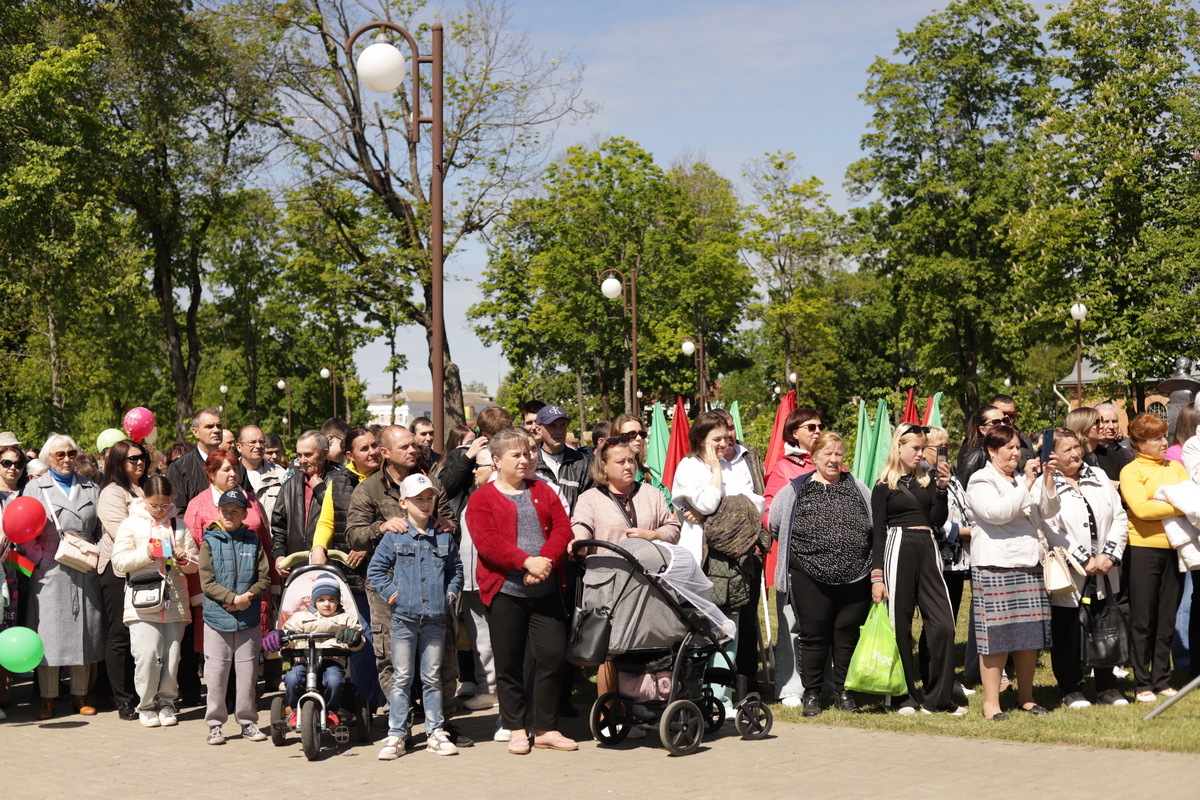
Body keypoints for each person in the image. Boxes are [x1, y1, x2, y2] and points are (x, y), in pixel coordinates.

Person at [345, 425, 466, 743]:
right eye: (405, 446)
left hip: (431, 588)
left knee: (442, 658)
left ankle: (441, 723)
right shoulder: (369, 489)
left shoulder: (431, 482)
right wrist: (381, 526)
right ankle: (401, 724)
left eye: (415, 445)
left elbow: (450, 521)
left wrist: (446, 524)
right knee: (390, 659)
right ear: (385, 452)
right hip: (390, 591)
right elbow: (354, 534)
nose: (414, 450)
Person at [465, 427, 576, 755]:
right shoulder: (482, 497)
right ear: (497, 461)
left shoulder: (543, 490)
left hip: (546, 590)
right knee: (509, 662)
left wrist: (544, 563)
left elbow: (562, 529)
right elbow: (487, 544)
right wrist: (527, 563)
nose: (526, 459)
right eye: (517, 454)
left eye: (529, 453)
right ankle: (515, 727)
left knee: (553, 657)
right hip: (505, 592)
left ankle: (545, 728)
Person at [569, 434, 681, 711]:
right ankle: (610, 712)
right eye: (620, 461)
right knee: (611, 650)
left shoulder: (652, 494)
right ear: (604, 467)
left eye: (631, 460)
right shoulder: (590, 498)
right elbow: (580, 526)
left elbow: (674, 529)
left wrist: (651, 534)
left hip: (648, 588)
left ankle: (643, 703)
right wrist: (577, 541)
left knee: (647, 647)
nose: (628, 466)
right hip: (608, 586)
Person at [767, 431, 872, 716]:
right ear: (814, 458)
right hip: (809, 577)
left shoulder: (858, 488)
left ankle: (844, 691)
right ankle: (812, 693)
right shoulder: (794, 490)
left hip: (855, 577)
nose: (834, 460)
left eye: (838, 454)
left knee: (846, 635)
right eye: (827, 454)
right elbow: (775, 524)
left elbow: (874, 524)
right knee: (813, 636)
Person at [671, 411, 767, 713]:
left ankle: (721, 698)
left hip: (733, 558)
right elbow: (708, 503)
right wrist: (714, 472)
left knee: (730, 626)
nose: (725, 443)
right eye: (717, 439)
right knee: (702, 629)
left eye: (726, 438)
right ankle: (695, 694)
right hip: (702, 559)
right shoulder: (688, 467)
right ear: (701, 440)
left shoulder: (734, 465)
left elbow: (755, 503)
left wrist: (712, 510)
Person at [966, 424, 1059, 720]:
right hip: (994, 566)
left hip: (1028, 564)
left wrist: (1046, 478)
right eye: (1009, 448)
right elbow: (996, 513)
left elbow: (1048, 512)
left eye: (1018, 447)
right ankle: (991, 703)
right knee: (996, 638)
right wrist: (1027, 484)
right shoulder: (981, 479)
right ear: (991, 451)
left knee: (1028, 636)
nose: (1016, 453)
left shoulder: (1023, 478)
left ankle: (1027, 697)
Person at [369, 474, 464, 759]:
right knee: (402, 678)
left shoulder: (444, 534)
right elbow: (375, 570)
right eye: (418, 499)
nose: (425, 504)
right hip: (403, 620)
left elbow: (455, 570)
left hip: (435, 619)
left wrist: (448, 595)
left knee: (432, 678)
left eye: (429, 498)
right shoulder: (394, 536)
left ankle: (436, 732)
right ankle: (397, 735)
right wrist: (393, 593)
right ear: (403, 503)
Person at [1036, 427, 1129, 708]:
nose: (1076, 453)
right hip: (1071, 570)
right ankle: (1071, 687)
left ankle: (1107, 685)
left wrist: (1109, 556)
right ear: (1053, 455)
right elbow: (1048, 525)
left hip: (1105, 567)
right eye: (1068, 450)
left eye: (1077, 447)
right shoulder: (1045, 484)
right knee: (1068, 626)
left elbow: (1119, 517)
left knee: (1104, 622)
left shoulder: (1098, 476)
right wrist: (1083, 558)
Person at [871, 423, 959, 715]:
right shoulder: (884, 485)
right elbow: (878, 533)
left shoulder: (929, 479)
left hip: (928, 546)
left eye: (924, 448)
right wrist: (877, 575)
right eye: (916, 448)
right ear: (899, 447)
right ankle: (904, 697)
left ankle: (938, 699)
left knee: (944, 624)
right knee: (900, 625)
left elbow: (937, 518)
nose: (921, 454)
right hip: (897, 546)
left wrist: (943, 489)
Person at [19, 434, 104, 719]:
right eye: (60, 455)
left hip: (84, 568)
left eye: (71, 453)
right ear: (48, 458)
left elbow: (103, 531)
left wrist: (96, 555)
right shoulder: (34, 488)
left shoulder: (91, 486)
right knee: (50, 634)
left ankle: (80, 695)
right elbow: (23, 535)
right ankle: (48, 698)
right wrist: (42, 560)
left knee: (84, 632)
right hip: (50, 571)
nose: (67, 459)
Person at [183, 449, 273, 704]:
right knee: (218, 661)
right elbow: (194, 550)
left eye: (235, 468)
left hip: (250, 593)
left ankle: (244, 708)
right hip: (215, 598)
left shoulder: (251, 500)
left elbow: (264, 540)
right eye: (226, 469)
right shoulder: (198, 504)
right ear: (211, 474)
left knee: (246, 658)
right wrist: (202, 595)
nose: (233, 473)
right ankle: (218, 713)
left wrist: (262, 590)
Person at [110, 474, 199, 727]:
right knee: (147, 655)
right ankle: (146, 705)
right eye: (154, 504)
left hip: (175, 600)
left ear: (171, 501)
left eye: (164, 504)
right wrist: (147, 552)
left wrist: (183, 559)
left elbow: (196, 565)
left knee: (172, 657)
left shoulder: (179, 525)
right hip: (142, 600)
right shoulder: (131, 524)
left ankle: (167, 703)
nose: (159, 509)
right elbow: (119, 563)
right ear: (144, 499)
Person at [308, 427, 386, 711]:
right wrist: (319, 548)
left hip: (383, 571)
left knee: (380, 640)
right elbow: (327, 521)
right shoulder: (338, 480)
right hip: (350, 574)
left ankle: (370, 702)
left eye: (375, 445)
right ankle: (361, 704)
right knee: (361, 639)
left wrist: (366, 541)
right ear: (350, 455)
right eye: (364, 449)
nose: (372, 452)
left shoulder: (388, 478)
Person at [1120, 412, 1188, 703]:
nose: (1164, 442)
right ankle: (1142, 681)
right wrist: (1179, 506)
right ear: (1139, 443)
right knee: (1143, 618)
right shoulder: (1131, 471)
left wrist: (1165, 503)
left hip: (1175, 547)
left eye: (1164, 435)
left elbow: (1192, 497)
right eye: (1156, 438)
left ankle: (1162, 678)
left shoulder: (1175, 467)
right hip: (1142, 548)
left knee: (1167, 616)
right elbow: (1141, 509)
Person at [760, 407, 823, 707]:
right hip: (796, 557)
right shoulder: (784, 468)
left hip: (830, 557)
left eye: (820, 426)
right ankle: (790, 686)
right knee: (791, 622)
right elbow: (770, 514)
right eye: (810, 427)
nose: (817, 432)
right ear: (793, 433)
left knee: (824, 623)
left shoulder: (830, 463)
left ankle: (825, 682)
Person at [199, 487, 271, 745]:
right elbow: (207, 582)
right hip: (217, 621)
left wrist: (246, 598)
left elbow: (264, 578)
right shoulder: (210, 542)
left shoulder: (253, 541)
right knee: (216, 674)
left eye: (235, 511)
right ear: (219, 512)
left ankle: (248, 722)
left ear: (244, 514)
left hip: (248, 619)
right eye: (225, 510)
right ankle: (215, 725)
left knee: (248, 674)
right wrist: (232, 600)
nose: (229, 515)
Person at [917, 425, 975, 699]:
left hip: (957, 563)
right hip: (938, 561)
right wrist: (964, 533)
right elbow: (931, 521)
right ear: (924, 449)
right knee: (937, 624)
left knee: (950, 624)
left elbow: (964, 508)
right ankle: (932, 679)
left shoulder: (949, 475)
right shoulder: (922, 477)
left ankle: (946, 677)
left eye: (948, 447)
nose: (946, 452)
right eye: (939, 448)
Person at [97, 439, 151, 720]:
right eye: (132, 459)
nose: (139, 462)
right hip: (119, 571)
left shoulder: (146, 487)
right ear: (118, 462)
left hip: (147, 569)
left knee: (141, 634)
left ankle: (144, 695)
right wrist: (152, 544)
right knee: (119, 634)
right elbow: (122, 534)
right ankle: (122, 700)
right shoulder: (111, 493)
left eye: (142, 457)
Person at [277, 577, 365, 729]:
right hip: (304, 661)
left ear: (338, 601)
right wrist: (280, 638)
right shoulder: (300, 617)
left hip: (332, 661)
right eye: (321, 599)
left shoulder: (346, 619)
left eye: (332, 599)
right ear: (314, 602)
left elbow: (359, 638)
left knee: (334, 681)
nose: (327, 604)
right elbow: (286, 634)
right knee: (291, 679)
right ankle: (296, 710)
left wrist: (354, 639)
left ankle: (331, 711)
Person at [271, 431, 341, 573]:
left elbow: (342, 516)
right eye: (299, 455)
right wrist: (279, 555)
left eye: (308, 455)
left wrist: (321, 491)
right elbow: (279, 527)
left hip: (329, 565)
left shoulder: (340, 480)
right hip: (295, 567)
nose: (302, 460)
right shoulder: (290, 485)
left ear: (324, 453)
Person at [0, 433, 26, 714]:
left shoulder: (30, 492)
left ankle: (5, 694)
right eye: (6, 462)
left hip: (20, 573)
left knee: (9, 633)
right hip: (2, 572)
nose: (12, 468)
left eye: (18, 464)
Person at [532, 404, 592, 515]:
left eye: (562, 425)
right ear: (538, 429)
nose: (559, 431)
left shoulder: (583, 463)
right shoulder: (530, 463)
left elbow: (590, 506)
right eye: (552, 426)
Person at [166, 408, 224, 512]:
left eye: (219, 426)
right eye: (209, 426)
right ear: (196, 432)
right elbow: (178, 510)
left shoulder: (235, 465)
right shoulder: (179, 468)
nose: (216, 430)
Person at [236, 425, 284, 524]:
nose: (258, 446)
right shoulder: (229, 474)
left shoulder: (280, 474)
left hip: (272, 538)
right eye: (252, 442)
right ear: (239, 447)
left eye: (261, 442)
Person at [955, 406, 1004, 486]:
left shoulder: (1010, 450)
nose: (1003, 424)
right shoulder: (977, 454)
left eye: (1004, 420)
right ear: (982, 430)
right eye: (996, 422)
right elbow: (961, 487)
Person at [1094, 404, 1133, 483]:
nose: (1111, 427)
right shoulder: (1088, 454)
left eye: (1114, 421)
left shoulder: (1126, 455)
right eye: (1106, 422)